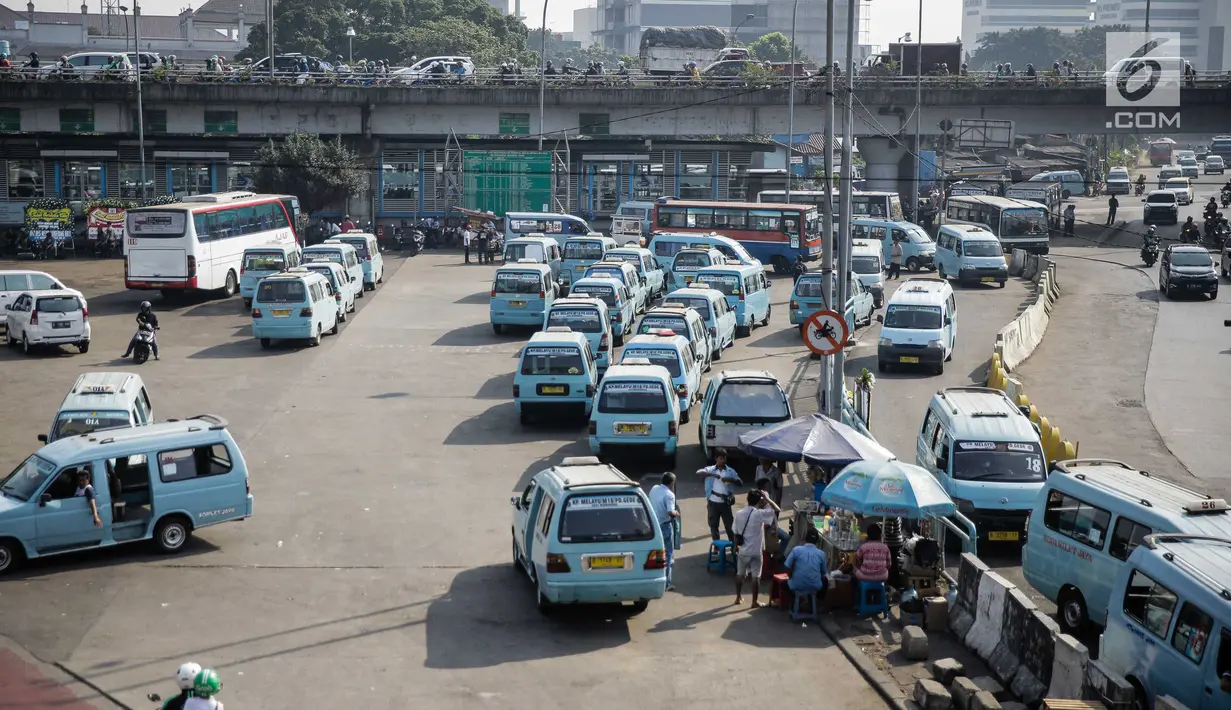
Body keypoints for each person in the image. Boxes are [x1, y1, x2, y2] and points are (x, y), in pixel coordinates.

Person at [732, 489, 781, 607]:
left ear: (747, 499)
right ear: (759, 501)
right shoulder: (758, 514)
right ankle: (754, 602)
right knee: (756, 577)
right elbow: (777, 509)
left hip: (743, 549)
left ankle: (738, 598)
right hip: (756, 551)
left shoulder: (738, 514)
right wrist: (767, 499)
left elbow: (736, 532)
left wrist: (735, 546)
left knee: (740, 574)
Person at [697, 448, 742, 543]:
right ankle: (717, 546)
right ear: (716, 458)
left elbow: (740, 482)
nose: (723, 460)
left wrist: (731, 480)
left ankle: (733, 545)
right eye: (721, 458)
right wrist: (712, 475)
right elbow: (699, 472)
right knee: (713, 526)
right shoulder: (710, 469)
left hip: (725, 502)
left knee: (730, 526)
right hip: (713, 502)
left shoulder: (730, 471)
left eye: (724, 458)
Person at [648, 472, 679, 591]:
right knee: (668, 554)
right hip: (665, 526)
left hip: (653, 525)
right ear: (671, 483)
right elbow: (670, 512)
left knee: (656, 553)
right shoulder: (669, 495)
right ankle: (667, 583)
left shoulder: (654, 489)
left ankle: (655, 579)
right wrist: (676, 513)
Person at [784, 528, 828, 598]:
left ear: (805, 539)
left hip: (796, 585)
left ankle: (794, 605)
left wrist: (790, 576)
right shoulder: (821, 554)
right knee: (826, 581)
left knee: (784, 584)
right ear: (817, 541)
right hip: (815, 586)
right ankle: (817, 603)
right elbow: (824, 572)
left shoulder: (796, 550)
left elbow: (787, 566)